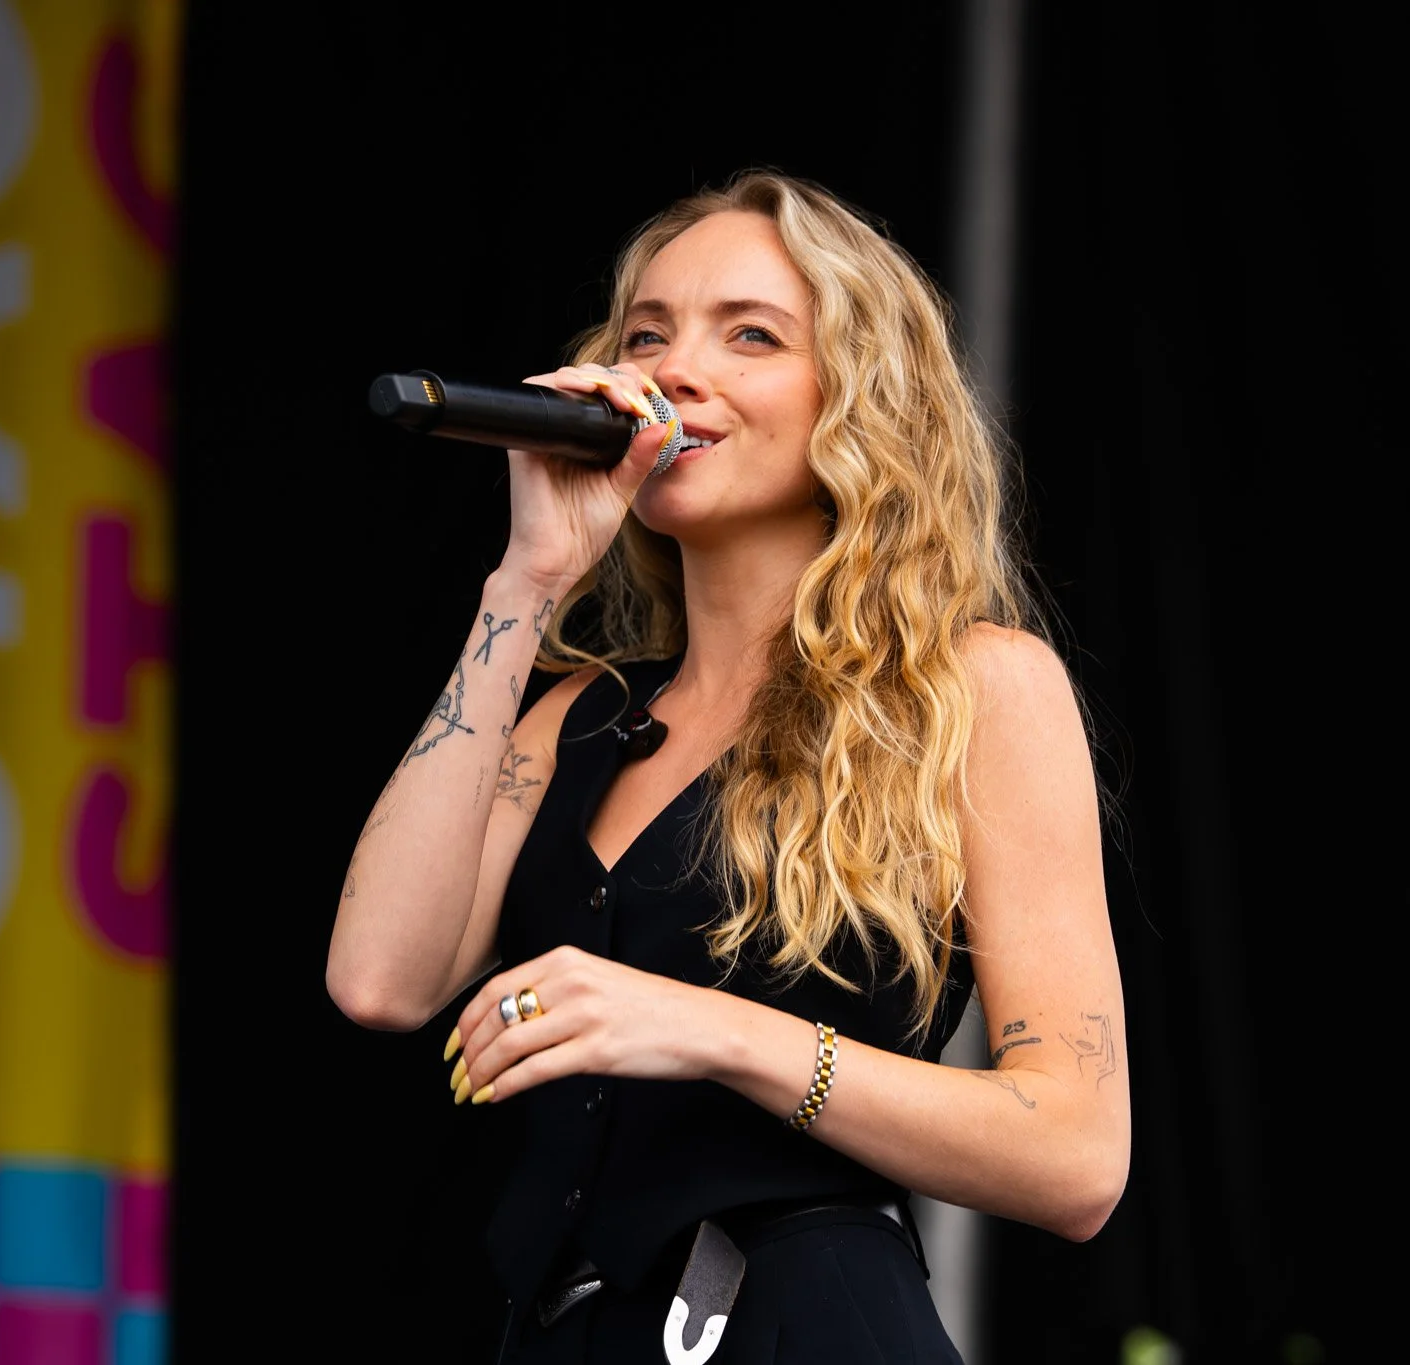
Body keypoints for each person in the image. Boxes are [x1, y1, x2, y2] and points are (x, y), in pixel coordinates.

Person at [326, 171, 1130, 1363]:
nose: (674, 370)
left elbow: (1074, 1157)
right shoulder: (577, 717)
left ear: (860, 396)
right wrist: (526, 582)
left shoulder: (971, 689)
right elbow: (379, 979)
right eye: (646, 336)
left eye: (749, 335)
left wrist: (711, 1031)